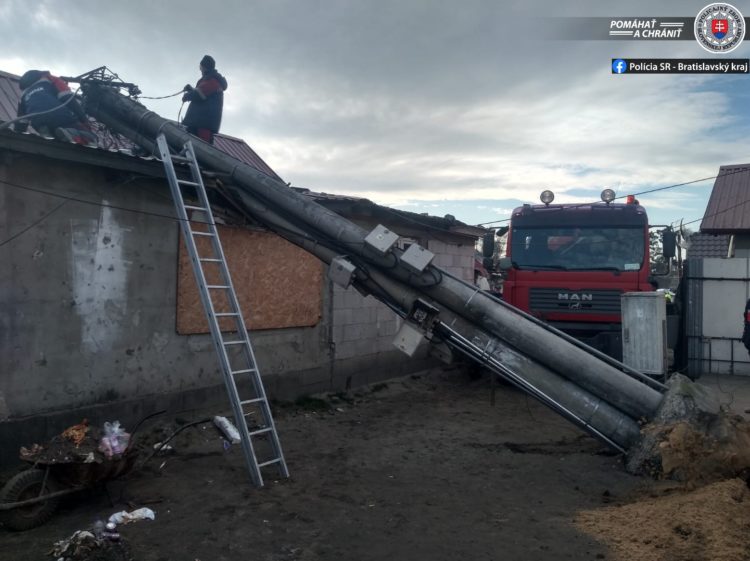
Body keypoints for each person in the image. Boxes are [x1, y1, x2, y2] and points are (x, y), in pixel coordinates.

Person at [15, 70, 97, 147]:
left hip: (39, 123)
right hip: (59, 116)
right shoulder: (51, 79)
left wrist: (17, 141)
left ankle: (48, 136)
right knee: (91, 136)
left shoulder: (23, 96)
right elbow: (69, 100)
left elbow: (21, 123)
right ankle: (70, 133)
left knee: (53, 138)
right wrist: (85, 121)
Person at [182, 55, 228, 144]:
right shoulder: (209, 79)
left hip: (203, 124)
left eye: (200, 66)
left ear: (204, 66)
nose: (200, 69)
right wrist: (191, 89)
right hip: (198, 123)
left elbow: (200, 94)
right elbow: (203, 93)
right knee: (192, 147)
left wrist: (188, 95)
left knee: (201, 149)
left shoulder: (213, 80)